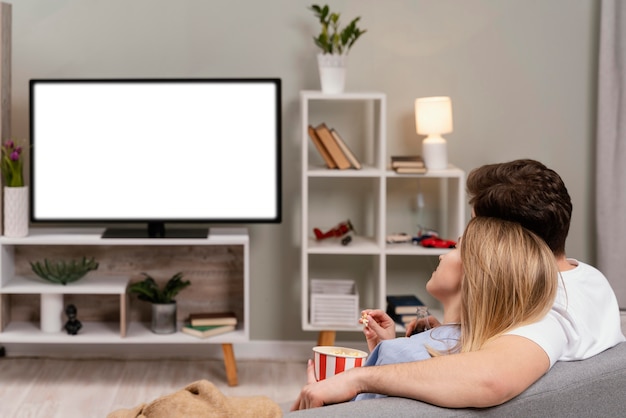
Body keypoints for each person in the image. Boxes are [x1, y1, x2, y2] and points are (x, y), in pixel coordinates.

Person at [292, 159, 625, 410]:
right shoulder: (589, 279)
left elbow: (491, 377)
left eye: (475, 229)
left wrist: (358, 377)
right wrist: (449, 335)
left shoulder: (548, 313)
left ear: (503, 242)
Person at [355, 216, 559, 401]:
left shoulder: (398, 355)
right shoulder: (499, 356)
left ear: (473, 273)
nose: (442, 256)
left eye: (454, 247)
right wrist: (388, 351)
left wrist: (389, 354)